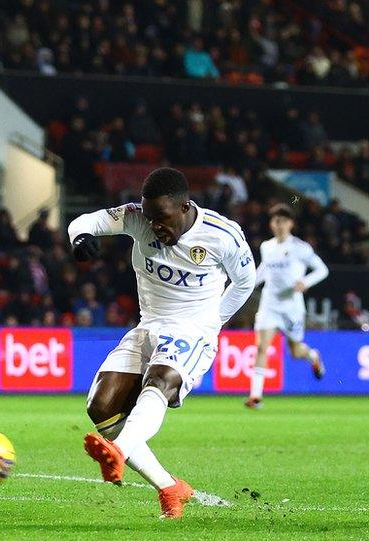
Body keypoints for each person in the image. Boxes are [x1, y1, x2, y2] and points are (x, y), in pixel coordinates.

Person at [67, 168, 256, 519]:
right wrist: (80, 238)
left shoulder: (222, 234)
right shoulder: (139, 218)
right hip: (149, 324)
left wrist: (212, 323)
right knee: (101, 405)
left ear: (185, 207)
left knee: (161, 380)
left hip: (192, 329)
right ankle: (170, 487)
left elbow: (246, 281)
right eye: (150, 217)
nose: (155, 226)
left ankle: (117, 452)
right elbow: (85, 221)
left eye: (163, 218)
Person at [246, 204, 328, 409]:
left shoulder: (300, 248)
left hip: (292, 307)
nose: (279, 224)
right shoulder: (267, 247)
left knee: (295, 351)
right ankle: (256, 396)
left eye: (283, 220)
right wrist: (246, 284)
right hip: (270, 304)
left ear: (291, 223)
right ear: (271, 224)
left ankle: (313, 356)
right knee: (261, 346)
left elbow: (322, 270)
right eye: (275, 221)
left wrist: (306, 282)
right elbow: (264, 271)